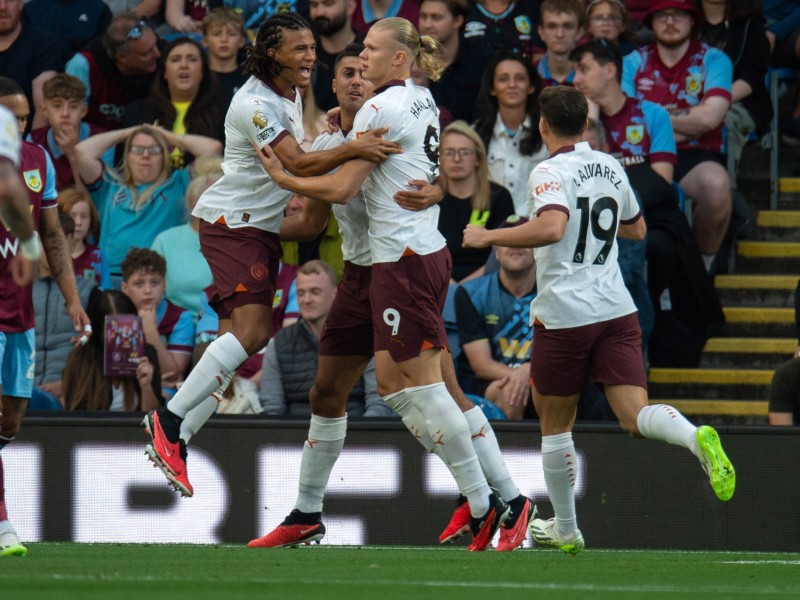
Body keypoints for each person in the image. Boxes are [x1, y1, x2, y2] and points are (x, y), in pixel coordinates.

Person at [254, 17, 523, 552]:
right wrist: (438, 186)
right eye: (348, 70)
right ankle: (306, 513)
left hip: (401, 262)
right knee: (330, 390)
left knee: (420, 387)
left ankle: (497, 502)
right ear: (332, 86)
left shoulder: (371, 118)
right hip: (364, 271)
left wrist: (285, 178)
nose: (357, 76)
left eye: (366, 63)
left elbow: (345, 185)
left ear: (391, 65)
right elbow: (323, 212)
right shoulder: (376, 117)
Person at [463, 85, 736, 555]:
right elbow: (638, 227)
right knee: (634, 415)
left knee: (555, 425)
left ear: (543, 126)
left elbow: (551, 226)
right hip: (615, 309)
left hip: (565, 315)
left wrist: (488, 234)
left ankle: (566, 527)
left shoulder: (547, 170)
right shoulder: (611, 165)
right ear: (586, 125)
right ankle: (694, 437)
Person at [139, 11, 401, 500]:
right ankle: (168, 420)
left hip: (257, 228)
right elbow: (298, 163)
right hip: (234, 224)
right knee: (254, 332)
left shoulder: (288, 93)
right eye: (299, 49)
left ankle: (177, 437)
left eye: (311, 48)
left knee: (234, 344)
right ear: (272, 53)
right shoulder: (256, 103)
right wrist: (355, 145)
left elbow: (302, 163)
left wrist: (339, 133)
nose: (310, 57)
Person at [571, 38, 724, 367]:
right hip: (590, 221)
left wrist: (609, 176)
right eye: (573, 71)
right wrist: (591, 120)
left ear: (610, 70)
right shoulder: (576, 121)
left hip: (647, 216)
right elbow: (579, 178)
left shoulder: (651, 114)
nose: (575, 80)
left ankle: (643, 334)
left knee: (658, 247)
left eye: (583, 69)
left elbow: (661, 183)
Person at [0, 95, 90, 557]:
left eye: (21, 119)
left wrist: (73, 299)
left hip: (20, 316)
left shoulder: (38, 162)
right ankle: (2, 526)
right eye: (6, 118)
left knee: (10, 421)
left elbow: (51, 235)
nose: (15, 126)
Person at [622, 0, 733, 272]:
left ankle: (702, 270)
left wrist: (656, 123)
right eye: (661, 15)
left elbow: (710, 118)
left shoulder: (714, 59)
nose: (670, 21)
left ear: (693, 19)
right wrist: (687, 119)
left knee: (717, 186)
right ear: (650, 22)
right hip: (642, 157)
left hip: (695, 154)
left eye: (678, 14)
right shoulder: (632, 61)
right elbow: (626, 118)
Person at [72, 123, 222, 284]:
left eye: (154, 150)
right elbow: (81, 152)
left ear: (164, 156)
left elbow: (213, 149)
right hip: (112, 275)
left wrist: (167, 136)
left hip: (159, 277)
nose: (145, 155)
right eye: (137, 149)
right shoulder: (110, 185)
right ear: (127, 155)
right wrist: (129, 132)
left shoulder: (178, 183)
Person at [260, 259, 391, 416]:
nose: (306, 300)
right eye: (301, 293)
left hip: (354, 433)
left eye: (315, 292)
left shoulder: (361, 337)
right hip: (293, 437)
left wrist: (357, 437)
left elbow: (379, 405)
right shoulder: (278, 344)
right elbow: (272, 410)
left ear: (335, 294)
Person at [456, 215, 537, 420]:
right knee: (511, 393)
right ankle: (514, 452)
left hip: (542, 378)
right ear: (496, 253)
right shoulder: (472, 293)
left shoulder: (556, 293)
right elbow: (481, 365)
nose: (515, 245)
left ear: (539, 249)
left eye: (523, 239)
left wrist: (530, 371)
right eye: (507, 239)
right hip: (490, 382)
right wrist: (520, 375)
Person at [696, 0, 771, 183]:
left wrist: (713, 103)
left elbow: (752, 77)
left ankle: (723, 191)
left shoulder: (750, 23)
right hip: (687, 100)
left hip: (739, 102)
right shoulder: (684, 20)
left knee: (721, 123)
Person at [123, 36, 224, 166]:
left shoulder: (223, 113)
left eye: (192, 59)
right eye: (175, 60)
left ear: (203, 72)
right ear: (165, 72)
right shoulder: (137, 111)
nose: (183, 65)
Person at [436, 120, 515, 283]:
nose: (457, 159)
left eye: (465, 152)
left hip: (487, 282)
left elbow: (503, 252)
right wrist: (449, 286)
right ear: (440, 159)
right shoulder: (431, 199)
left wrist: (464, 288)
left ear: (478, 158)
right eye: (449, 152)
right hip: (438, 283)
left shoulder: (499, 197)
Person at [33, 212, 97, 405]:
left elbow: (98, 354)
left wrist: (68, 384)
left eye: (55, 240)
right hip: (19, 392)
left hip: (71, 396)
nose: (48, 247)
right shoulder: (14, 291)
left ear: (70, 242)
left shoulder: (90, 292)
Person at [62, 288, 162, 411]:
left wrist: (146, 386)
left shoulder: (146, 355)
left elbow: (154, 419)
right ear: (98, 330)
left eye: (127, 327)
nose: (120, 336)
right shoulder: (81, 361)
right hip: (97, 429)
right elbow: (78, 417)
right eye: (113, 331)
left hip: (137, 429)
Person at [473, 53, 548, 215]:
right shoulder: (475, 133)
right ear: (492, 88)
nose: (512, 85)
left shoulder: (548, 133)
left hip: (536, 226)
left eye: (520, 78)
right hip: (489, 226)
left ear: (531, 86)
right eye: (503, 79)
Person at [65, 12, 162, 130]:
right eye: (147, 53)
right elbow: (68, 120)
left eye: (155, 44)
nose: (157, 54)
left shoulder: (167, 56)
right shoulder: (84, 65)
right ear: (122, 57)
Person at [151, 156, 220, 317]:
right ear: (191, 202)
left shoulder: (240, 241)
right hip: (175, 325)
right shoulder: (165, 241)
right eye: (207, 198)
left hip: (223, 325)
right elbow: (151, 290)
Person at [120, 248, 194, 393]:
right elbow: (116, 369)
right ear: (125, 288)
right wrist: (153, 381)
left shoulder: (180, 317)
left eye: (154, 283)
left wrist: (150, 331)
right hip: (127, 388)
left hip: (167, 391)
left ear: (164, 285)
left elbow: (173, 375)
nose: (148, 290)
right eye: (139, 284)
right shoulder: (117, 314)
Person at [28, 74, 115, 192]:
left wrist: (73, 155)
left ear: (83, 111)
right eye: (57, 106)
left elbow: (100, 197)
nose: (65, 113)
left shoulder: (103, 140)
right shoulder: (34, 141)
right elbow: (34, 191)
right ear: (44, 110)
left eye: (73, 107)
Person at [418, 0, 491, 124]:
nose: (427, 24)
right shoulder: (410, 59)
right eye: (423, 16)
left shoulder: (481, 60)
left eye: (436, 18)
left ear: (458, 21)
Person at [0, 0, 64, 132]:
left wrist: (31, 150)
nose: (3, 7)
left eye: (10, 0)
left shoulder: (42, 45)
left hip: (22, 145)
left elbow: (44, 109)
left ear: (21, 3)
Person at [310, 0, 364, 112]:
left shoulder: (369, 53)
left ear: (350, 6)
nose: (319, 12)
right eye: (314, 5)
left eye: (328, 4)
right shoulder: (304, 55)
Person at [21, 0, 112, 63]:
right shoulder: (30, 10)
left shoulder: (99, 10)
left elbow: (104, 53)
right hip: (40, 77)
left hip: (83, 80)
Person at [57, 186, 111, 289]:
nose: (78, 222)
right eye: (72, 216)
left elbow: (106, 293)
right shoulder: (50, 256)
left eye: (84, 216)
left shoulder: (98, 256)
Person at [201, 8, 248, 118]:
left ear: (242, 41)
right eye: (216, 34)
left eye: (231, 34)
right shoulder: (198, 77)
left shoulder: (251, 80)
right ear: (205, 40)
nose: (224, 39)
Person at [461, 0, 543, 59]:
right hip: (473, 80)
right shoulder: (462, 5)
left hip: (521, 79)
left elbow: (540, 54)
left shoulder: (532, 4)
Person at [535, 0, 583, 87]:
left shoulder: (591, 78)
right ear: (541, 32)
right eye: (552, 26)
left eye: (567, 26)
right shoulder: (529, 75)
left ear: (579, 32)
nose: (559, 34)